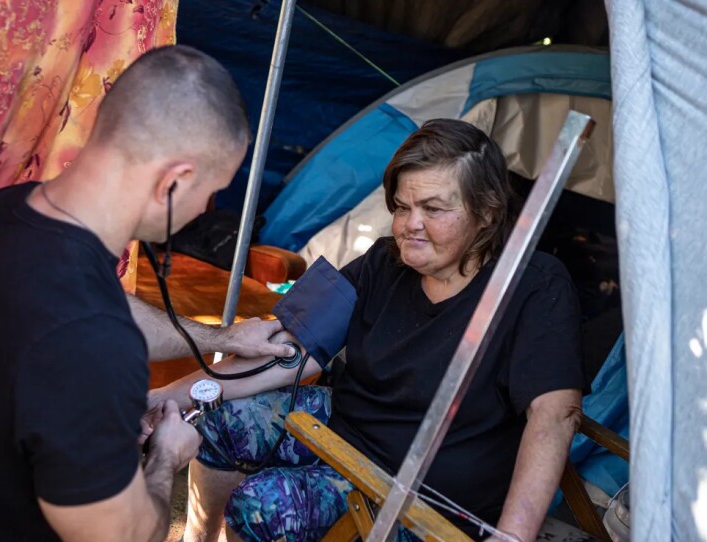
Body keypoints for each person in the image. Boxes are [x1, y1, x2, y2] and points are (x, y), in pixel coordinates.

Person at [0, 45, 296, 542]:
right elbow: (123, 535)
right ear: (174, 181)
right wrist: (166, 457)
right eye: (210, 192)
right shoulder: (92, 342)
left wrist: (226, 336)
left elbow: (86, 316)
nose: (203, 211)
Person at [152, 119, 587, 541]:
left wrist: (512, 535)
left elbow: (554, 414)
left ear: (487, 214)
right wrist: (159, 398)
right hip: (344, 427)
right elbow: (286, 349)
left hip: (425, 490)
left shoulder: (536, 285)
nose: (409, 225)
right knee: (215, 422)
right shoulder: (383, 261)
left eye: (433, 209)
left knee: (261, 504)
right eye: (402, 207)